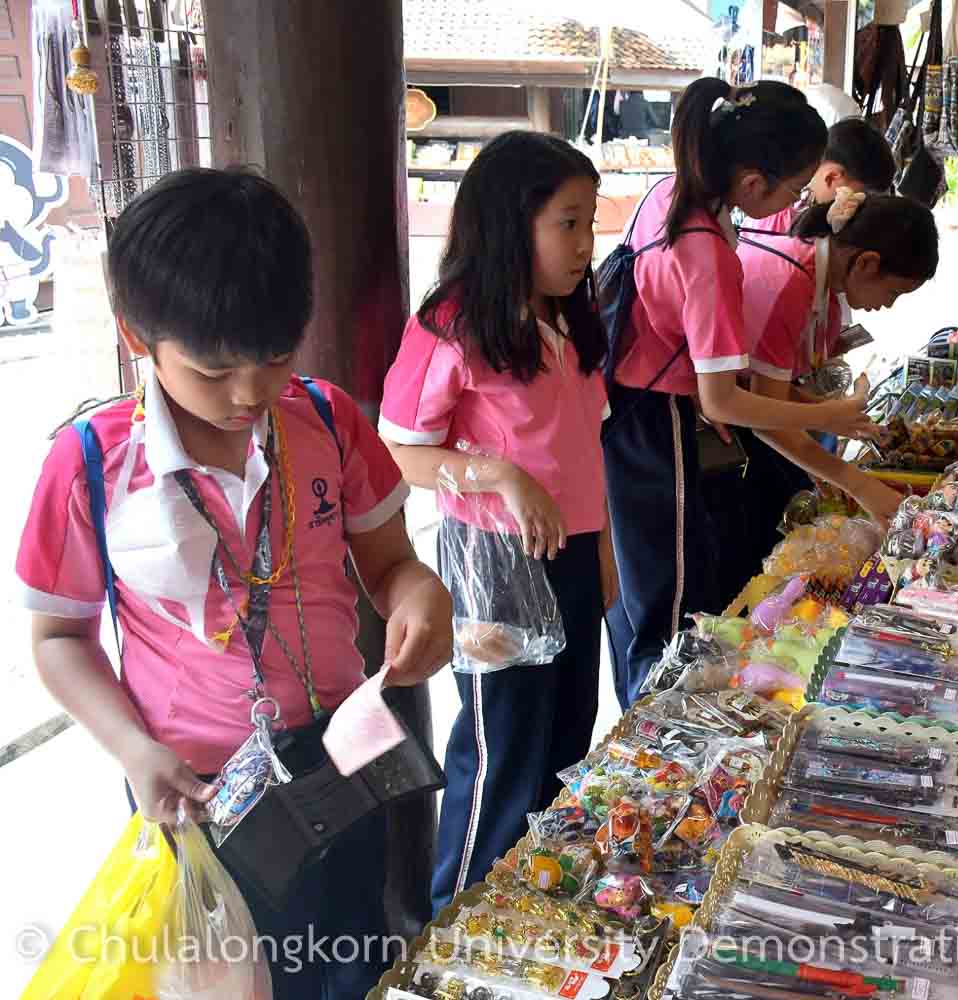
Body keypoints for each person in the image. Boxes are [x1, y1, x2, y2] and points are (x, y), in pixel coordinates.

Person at [16, 167, 454, 998]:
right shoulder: (90, 466)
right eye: (213, 371)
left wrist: (419, 597)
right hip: (196, 791)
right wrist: (133, 750)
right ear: (137, 336)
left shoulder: (326, 420)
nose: (250, 393)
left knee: (353, 962)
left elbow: (391, 565)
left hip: (341, 759)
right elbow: (58, 638)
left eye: (276, 358)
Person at [378, 132, 614, 915]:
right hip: (492, 566)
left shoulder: (571, 318)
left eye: (589, 223)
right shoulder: (451, 325)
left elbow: (587, 448)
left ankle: (533, 914)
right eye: (568, 223)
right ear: (512, 222)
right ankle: (459, 924)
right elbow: (399, 452)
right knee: (500, 754)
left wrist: (605, 550)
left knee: (567, 742)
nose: (584, 244)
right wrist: (500, 475)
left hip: (575, 553)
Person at [604, 77, 876, 710]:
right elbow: (724, 399)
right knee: (669, 601)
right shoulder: (707, 252)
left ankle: (648, 717)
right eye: (795, 187)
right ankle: (657, 734)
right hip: (656, 426)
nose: (799, 201)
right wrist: (828, 414)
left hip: (630, 419)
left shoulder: (672, 196)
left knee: (645, 595)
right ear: (753, 183)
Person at [733, 190, 940, 566]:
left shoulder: (818, 278)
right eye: (893, 291)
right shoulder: (792, 280)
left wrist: (824, 414)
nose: (888, 304)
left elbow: (765, 388)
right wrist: (857, 482)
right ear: (866, 263)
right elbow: (764, 417)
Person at [759, 116, 898, 234]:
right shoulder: (777, 211)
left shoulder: (794, 199)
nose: (855, 211)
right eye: (855, 199)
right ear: (831, 177)